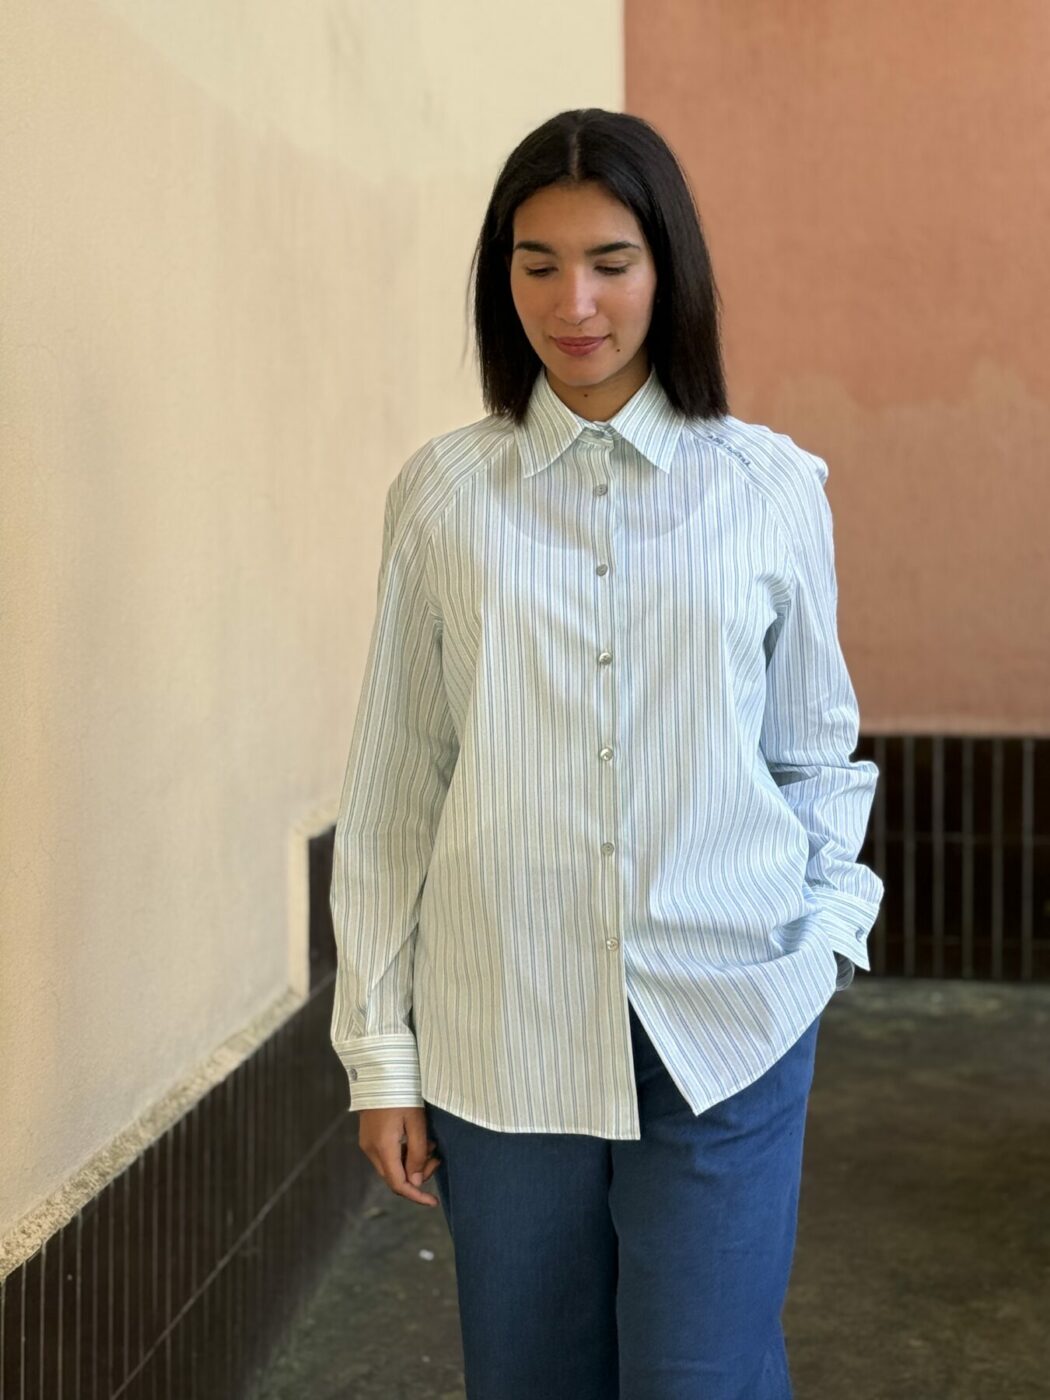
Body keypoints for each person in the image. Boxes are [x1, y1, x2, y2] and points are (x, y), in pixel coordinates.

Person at [329, 107, 884, 1400]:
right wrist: (380, 1055)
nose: (572, 303)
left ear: (666, 269)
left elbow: (815, 752)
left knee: (701, 1378)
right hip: (502, 1030)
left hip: (729, 1017)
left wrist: (818, 937)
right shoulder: (443, 496)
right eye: (537, 265)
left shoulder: (768, 489)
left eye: (609, 262)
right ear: (501, 278)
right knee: (530, 1376)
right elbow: (398, 784)